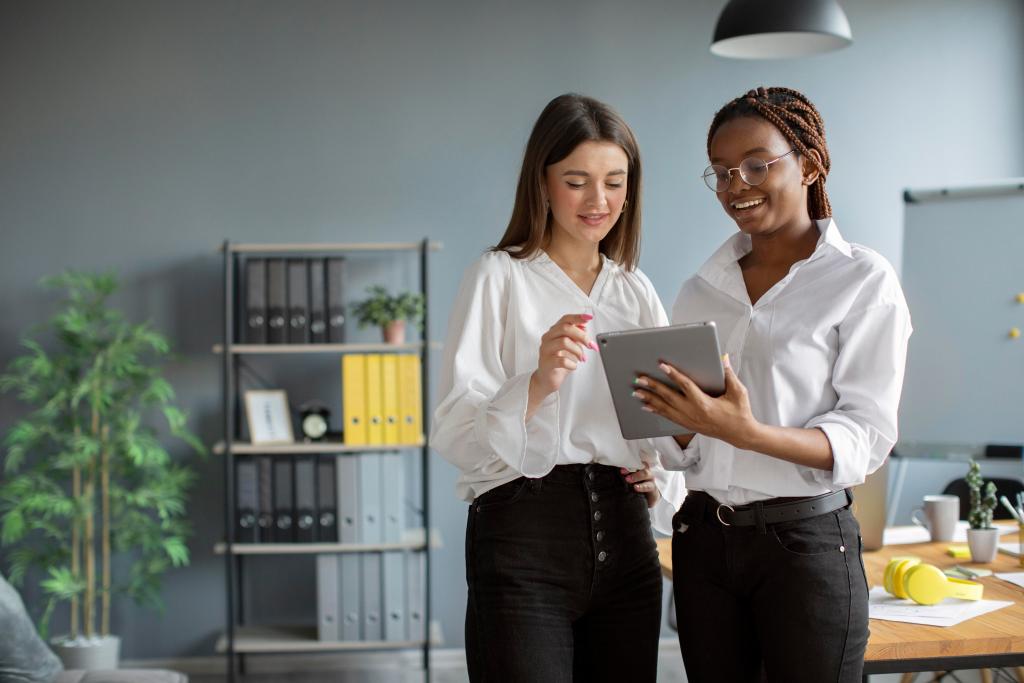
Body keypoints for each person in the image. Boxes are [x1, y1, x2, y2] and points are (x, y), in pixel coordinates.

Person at [633, 86, 912, 683]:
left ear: (809, 164)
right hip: (703, 541)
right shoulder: (700, 288)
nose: (737, 185)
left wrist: (747, 431)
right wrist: (679, 424)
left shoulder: (862, 280)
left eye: (757, 164)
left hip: (805, 544)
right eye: (721, 172)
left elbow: (865, 437)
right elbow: (688, 448)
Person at [431, 93, 685, 683]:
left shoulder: (634, 290)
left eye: (614, 182)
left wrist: (659, 470)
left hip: (626, 539)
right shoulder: (498, 276)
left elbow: (654, 418)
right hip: (523, 542)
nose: (599, 201)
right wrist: (537, 383)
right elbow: (452, 431)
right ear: (542, 183)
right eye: (577, 181)